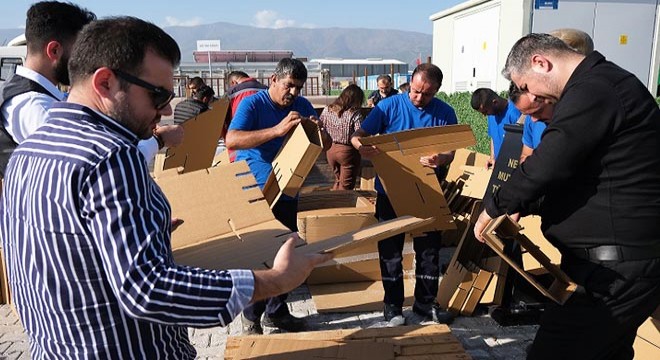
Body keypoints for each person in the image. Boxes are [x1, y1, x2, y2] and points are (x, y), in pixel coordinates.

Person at [0, 16, 332, 359]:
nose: (168, 110)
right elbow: (147, 290)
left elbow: (59, 258)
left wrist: (145, 233)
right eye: (157, 96)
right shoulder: (111, 157)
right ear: (105, 83)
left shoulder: (29, 150)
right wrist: (274, 281)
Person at [474, 33, 660, 359]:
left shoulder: (595, 88)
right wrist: (525, 205)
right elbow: (576, 176)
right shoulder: (597, 86)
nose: (529, 101)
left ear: (540, 63)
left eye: (526, 87)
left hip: (617, 271)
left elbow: (549, 162)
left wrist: (496, 205)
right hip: (612, 265)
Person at [0, 1, 181, 178]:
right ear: (54, 50)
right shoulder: (34, 106)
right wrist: (158, 141)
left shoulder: (35, 96)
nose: (87, 60)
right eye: (80, 52)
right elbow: (101, 167)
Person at [226, 58, 331, 334]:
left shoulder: (302, 105)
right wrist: (277, 130)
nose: (293, 94)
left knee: (288, 251)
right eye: (289, 86)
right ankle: (251, 318)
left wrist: (318, 132)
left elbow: (327, 144)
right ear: (274, 80)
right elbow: (232, 139)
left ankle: (276, 312)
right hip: (258, 189)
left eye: (298, 88)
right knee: (261, 257)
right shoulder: (253, 103)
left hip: (289, 187)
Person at [350, 63, 457, 327]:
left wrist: (441, 158)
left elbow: (451, 151)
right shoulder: (389, 106)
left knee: (429, 252)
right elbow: (358, 134)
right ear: (410, 83)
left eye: (427, 94)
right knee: (390, 251)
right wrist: (360, 146)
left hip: (427, 192)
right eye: (416, 91)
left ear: (437, 91)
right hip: (390, 191)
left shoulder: (445, 113)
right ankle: (392, 307)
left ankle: (425, 304)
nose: (419, 98)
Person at [319, 83, 364, 190]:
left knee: (338, 180)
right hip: (348, 152)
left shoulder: (327, 109)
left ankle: (333, 203)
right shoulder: (355, 114)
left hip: (330, 150)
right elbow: (360, 132)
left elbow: (320, 125)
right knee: (346, 186)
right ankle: (342, 205)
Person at [470, 88, 522, 169]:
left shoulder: (514, 114)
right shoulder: (491, 115)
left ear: (495, 102)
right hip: (498, 167)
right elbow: (493, 138)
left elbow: (521, 145)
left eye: (485, 112)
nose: (484, 115)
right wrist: (492, 158)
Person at [225, 71, 268, 162]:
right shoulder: (266, 90)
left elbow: (225, 123)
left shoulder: (232, 93)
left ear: (233, 82)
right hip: (265, 148)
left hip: (240, 149)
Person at [508, 82, 549, 163]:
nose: (533, 120)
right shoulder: (530, 120)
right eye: (528, 114)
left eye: (536, 112)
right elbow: (526, 154)